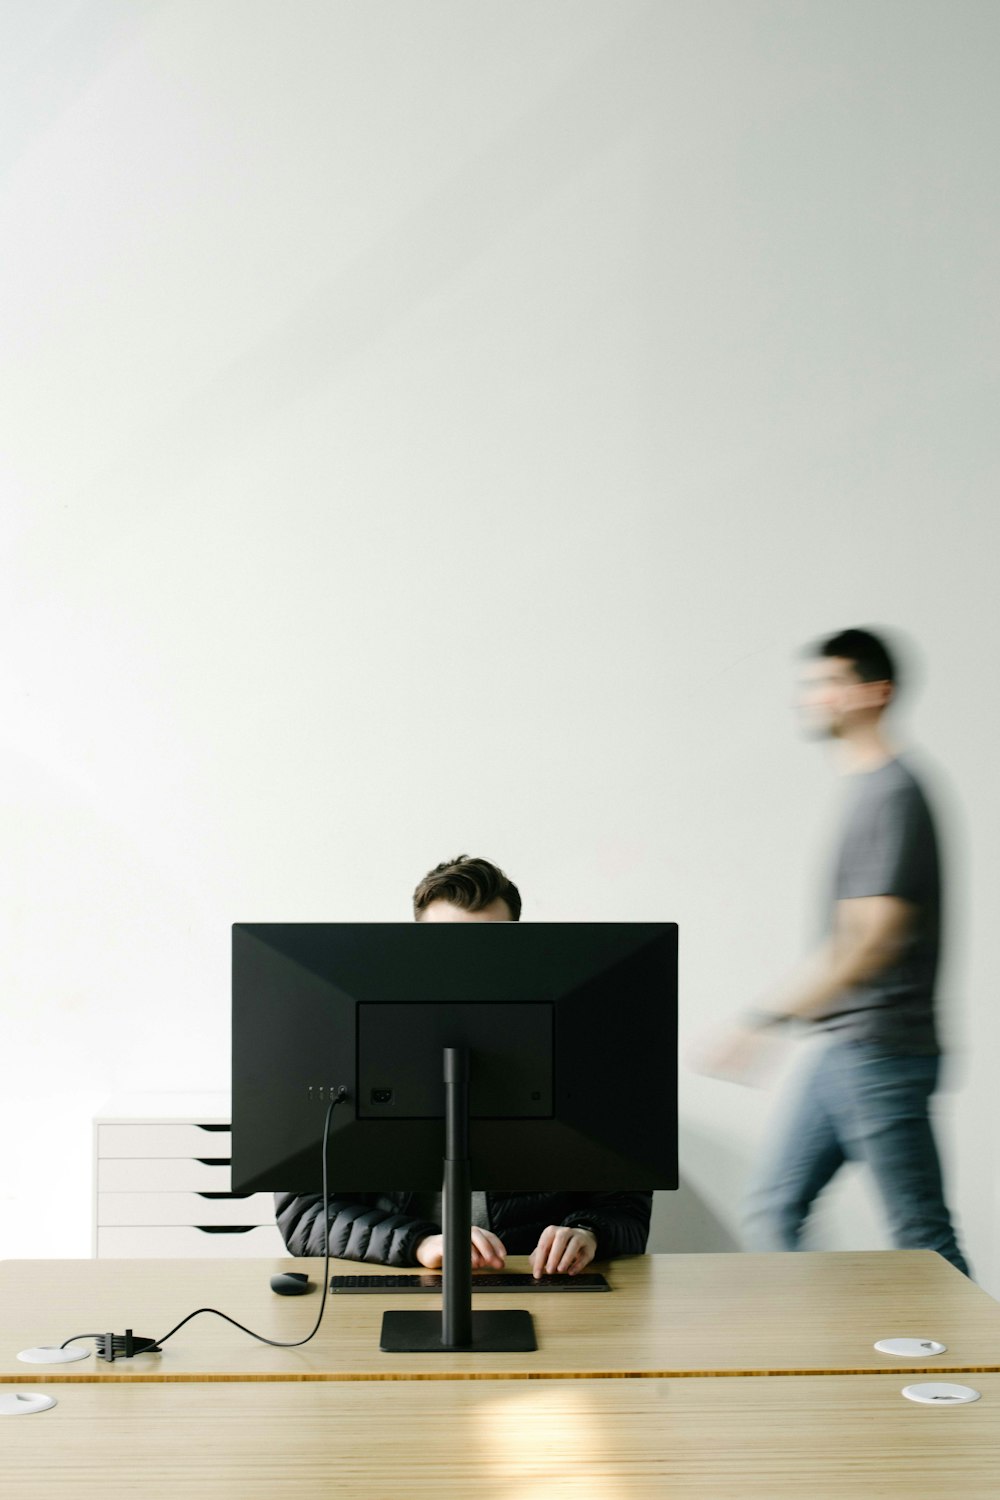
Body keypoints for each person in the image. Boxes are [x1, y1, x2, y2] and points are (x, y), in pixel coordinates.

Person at [703, 629, 969, 1276]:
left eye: (829, 684)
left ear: (875, 694)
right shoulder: (870, 790)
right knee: (774, 1210)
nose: (812, 697)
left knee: (922, 1237)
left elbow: (871, 939)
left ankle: (985, 1373)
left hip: (881, 1051)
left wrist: (763, 1020)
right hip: (848, 1048)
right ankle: (814, 1356)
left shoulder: (892, 794)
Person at [274, 855, 652, 1276]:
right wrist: (418, 1244)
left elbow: (626, 1210)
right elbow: (305, 1215)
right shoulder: (348, 1050)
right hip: (399, 1278)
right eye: (444, 949)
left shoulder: (580, 1055)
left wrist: (587, 1233)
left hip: (535, 1280)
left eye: (487, 948)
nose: (466, 967)